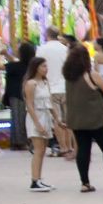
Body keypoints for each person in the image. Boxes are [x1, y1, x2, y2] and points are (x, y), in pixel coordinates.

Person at [62, 43, 103, 193]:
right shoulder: (92, 75)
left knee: (83, 150)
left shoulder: (69, 77)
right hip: (95, 119)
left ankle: (84, 183)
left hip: (77, 120)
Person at [38, 28, 73, 160]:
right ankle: (70, 146)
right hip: (65, 87)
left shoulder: (41, 49)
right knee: (68, 118)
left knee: (57, 119)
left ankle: (62, 147)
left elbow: (37, 66)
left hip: (50, 88)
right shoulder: (65, 49)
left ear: (47, 35)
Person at [23, 56, 55, 191]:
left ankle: (39, 178)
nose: (46, 69)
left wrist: (57, 119)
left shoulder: (45, 82)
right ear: (36, 68)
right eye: (43, 66)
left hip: (46, 116)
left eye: (46, 66)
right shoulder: (31, 84)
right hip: (36, 117)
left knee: (43, 150)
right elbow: (29, 105)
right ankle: (34, 180)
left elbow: (51, 103)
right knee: (38, 149)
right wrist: (37, 124)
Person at [0, 40, 35, 152]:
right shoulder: (31, 65)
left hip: (15, 94)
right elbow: (13, 62)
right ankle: (27, 140)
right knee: (26, 118)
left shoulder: (14, 66)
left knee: (17, 118)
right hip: (29, 94)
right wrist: (6, 54)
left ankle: (19, 141)